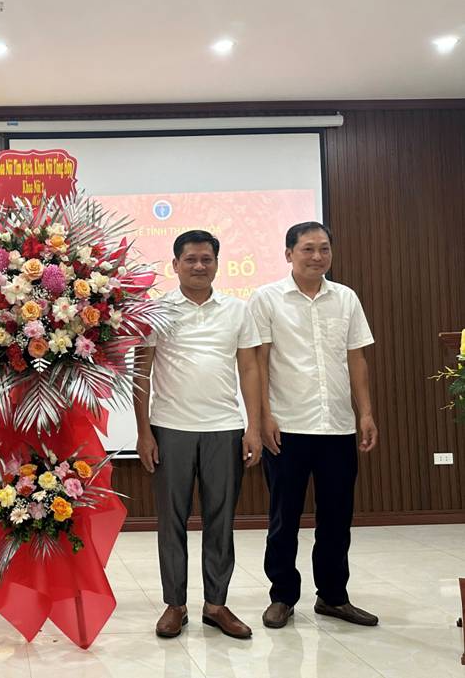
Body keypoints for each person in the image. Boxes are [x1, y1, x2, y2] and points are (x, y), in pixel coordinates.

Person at [133, 230, 263, 640]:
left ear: (217, 264)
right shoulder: (157, 311)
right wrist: (143, 433)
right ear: (175, 265)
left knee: (220, 521)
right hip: (171, 428)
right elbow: (141, 372)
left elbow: (250, 370)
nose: (199, 266)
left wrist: (254, 427)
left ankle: (216, 605)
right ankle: (175, 605)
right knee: (170, 521)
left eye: (206, 259)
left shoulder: (237, 311)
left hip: (224, 428)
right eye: (190, 259)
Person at [249, 221, 379, 629]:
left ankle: (333, 596)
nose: (317, 256)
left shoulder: (346, 298)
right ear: (289, 253)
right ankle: (283, 596)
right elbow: (260, 361)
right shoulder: (266, 298)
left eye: (324, 248)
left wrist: (366, 412)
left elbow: (356, 359)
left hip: (337, 426)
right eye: (308, 249)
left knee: (337, 517)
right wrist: (265, 415)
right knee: (284, 518)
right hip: (286, 426)